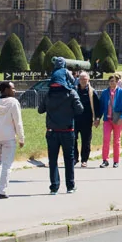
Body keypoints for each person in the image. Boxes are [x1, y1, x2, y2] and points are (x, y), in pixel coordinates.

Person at [42, 66, 87, 194]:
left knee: (53, 160)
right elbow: (80, 109)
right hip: (67, 130)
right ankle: (70, 185)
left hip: (52, 131)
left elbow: (40, 109)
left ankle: (54, 186)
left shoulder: (49, 94)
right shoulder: (71, 93)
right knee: (69, 159)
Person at [0, 80, 25, 199]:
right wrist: (21, 137)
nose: (14, 90)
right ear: (6, 90)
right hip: (8, 137)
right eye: (13, 88)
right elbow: (18, 122)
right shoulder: (13, 102)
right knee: (7, 164)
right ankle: (2, 190)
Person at [100, 74, 122, 167]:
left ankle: (116, 161)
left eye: (113, 81)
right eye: (110, 81)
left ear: (117, 82)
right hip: (107, 120)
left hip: (118, 120)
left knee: (116, 141)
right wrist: (97, 117)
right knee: (106, 139)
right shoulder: (105, 93)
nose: (112, 83)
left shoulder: (121, 92)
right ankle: (105, 160)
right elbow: (101, 106)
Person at [75, 71, 98, 167]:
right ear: (78, 80)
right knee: (72, 140)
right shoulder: (74, 90)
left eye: (85, 79)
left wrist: (97, 118)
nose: (83, 81)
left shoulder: (92, 92)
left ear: (88, 80)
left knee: (86, 141)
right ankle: (74, 159)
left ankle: (84, 160)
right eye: (81, 79)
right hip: (75, 120)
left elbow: (97, 106)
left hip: (87, 120)